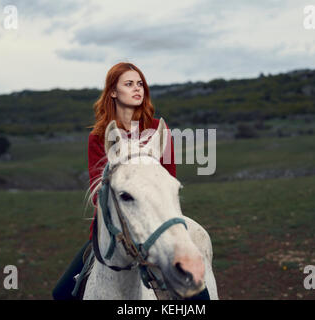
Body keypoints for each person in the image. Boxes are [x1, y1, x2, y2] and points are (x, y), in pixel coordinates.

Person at [52, 62, 209, 300]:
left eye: (140, 84)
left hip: (156, 223)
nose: (137, 89)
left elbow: (167, 182)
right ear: (113, 92)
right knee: (61, 294)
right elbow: (98, 195)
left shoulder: (157, 130)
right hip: (114, 231)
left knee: (199, 298)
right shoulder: (98, 137)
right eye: (129, 84)